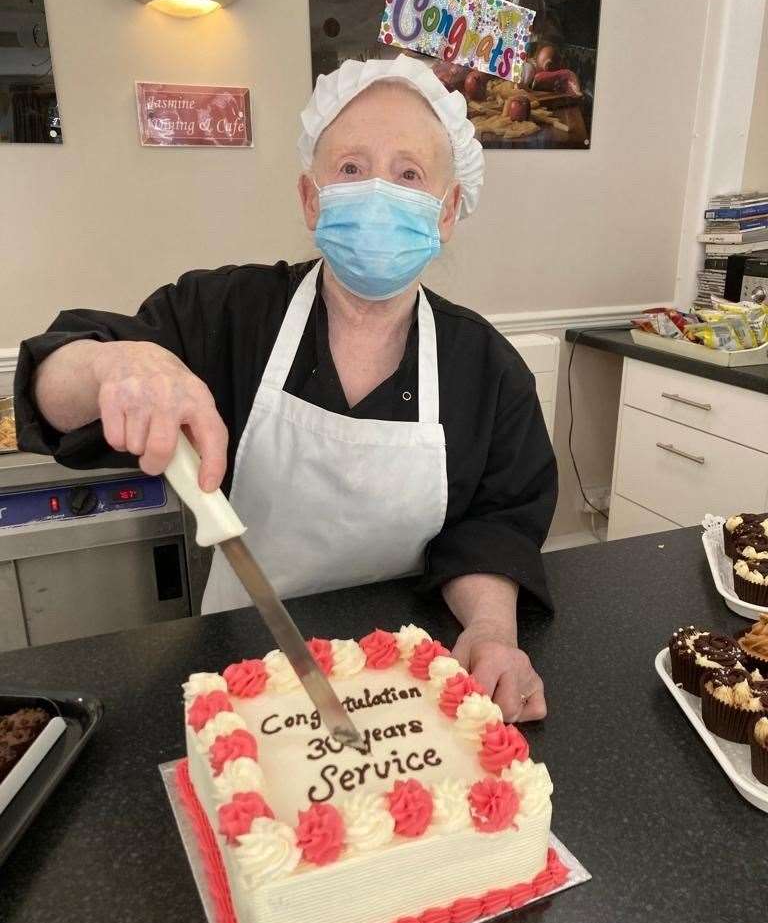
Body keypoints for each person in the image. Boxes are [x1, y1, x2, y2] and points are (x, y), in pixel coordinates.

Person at [15, 55, 557, 723]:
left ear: (446, 211)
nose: (378, 192)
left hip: (413, 687)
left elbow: (496, 526)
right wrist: (111, 367)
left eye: (409, 174)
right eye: (351, 169)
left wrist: (493, 633)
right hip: (243, 666)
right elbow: (52, 388)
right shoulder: (227, 313)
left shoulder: (488, 368)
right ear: (311, 198)